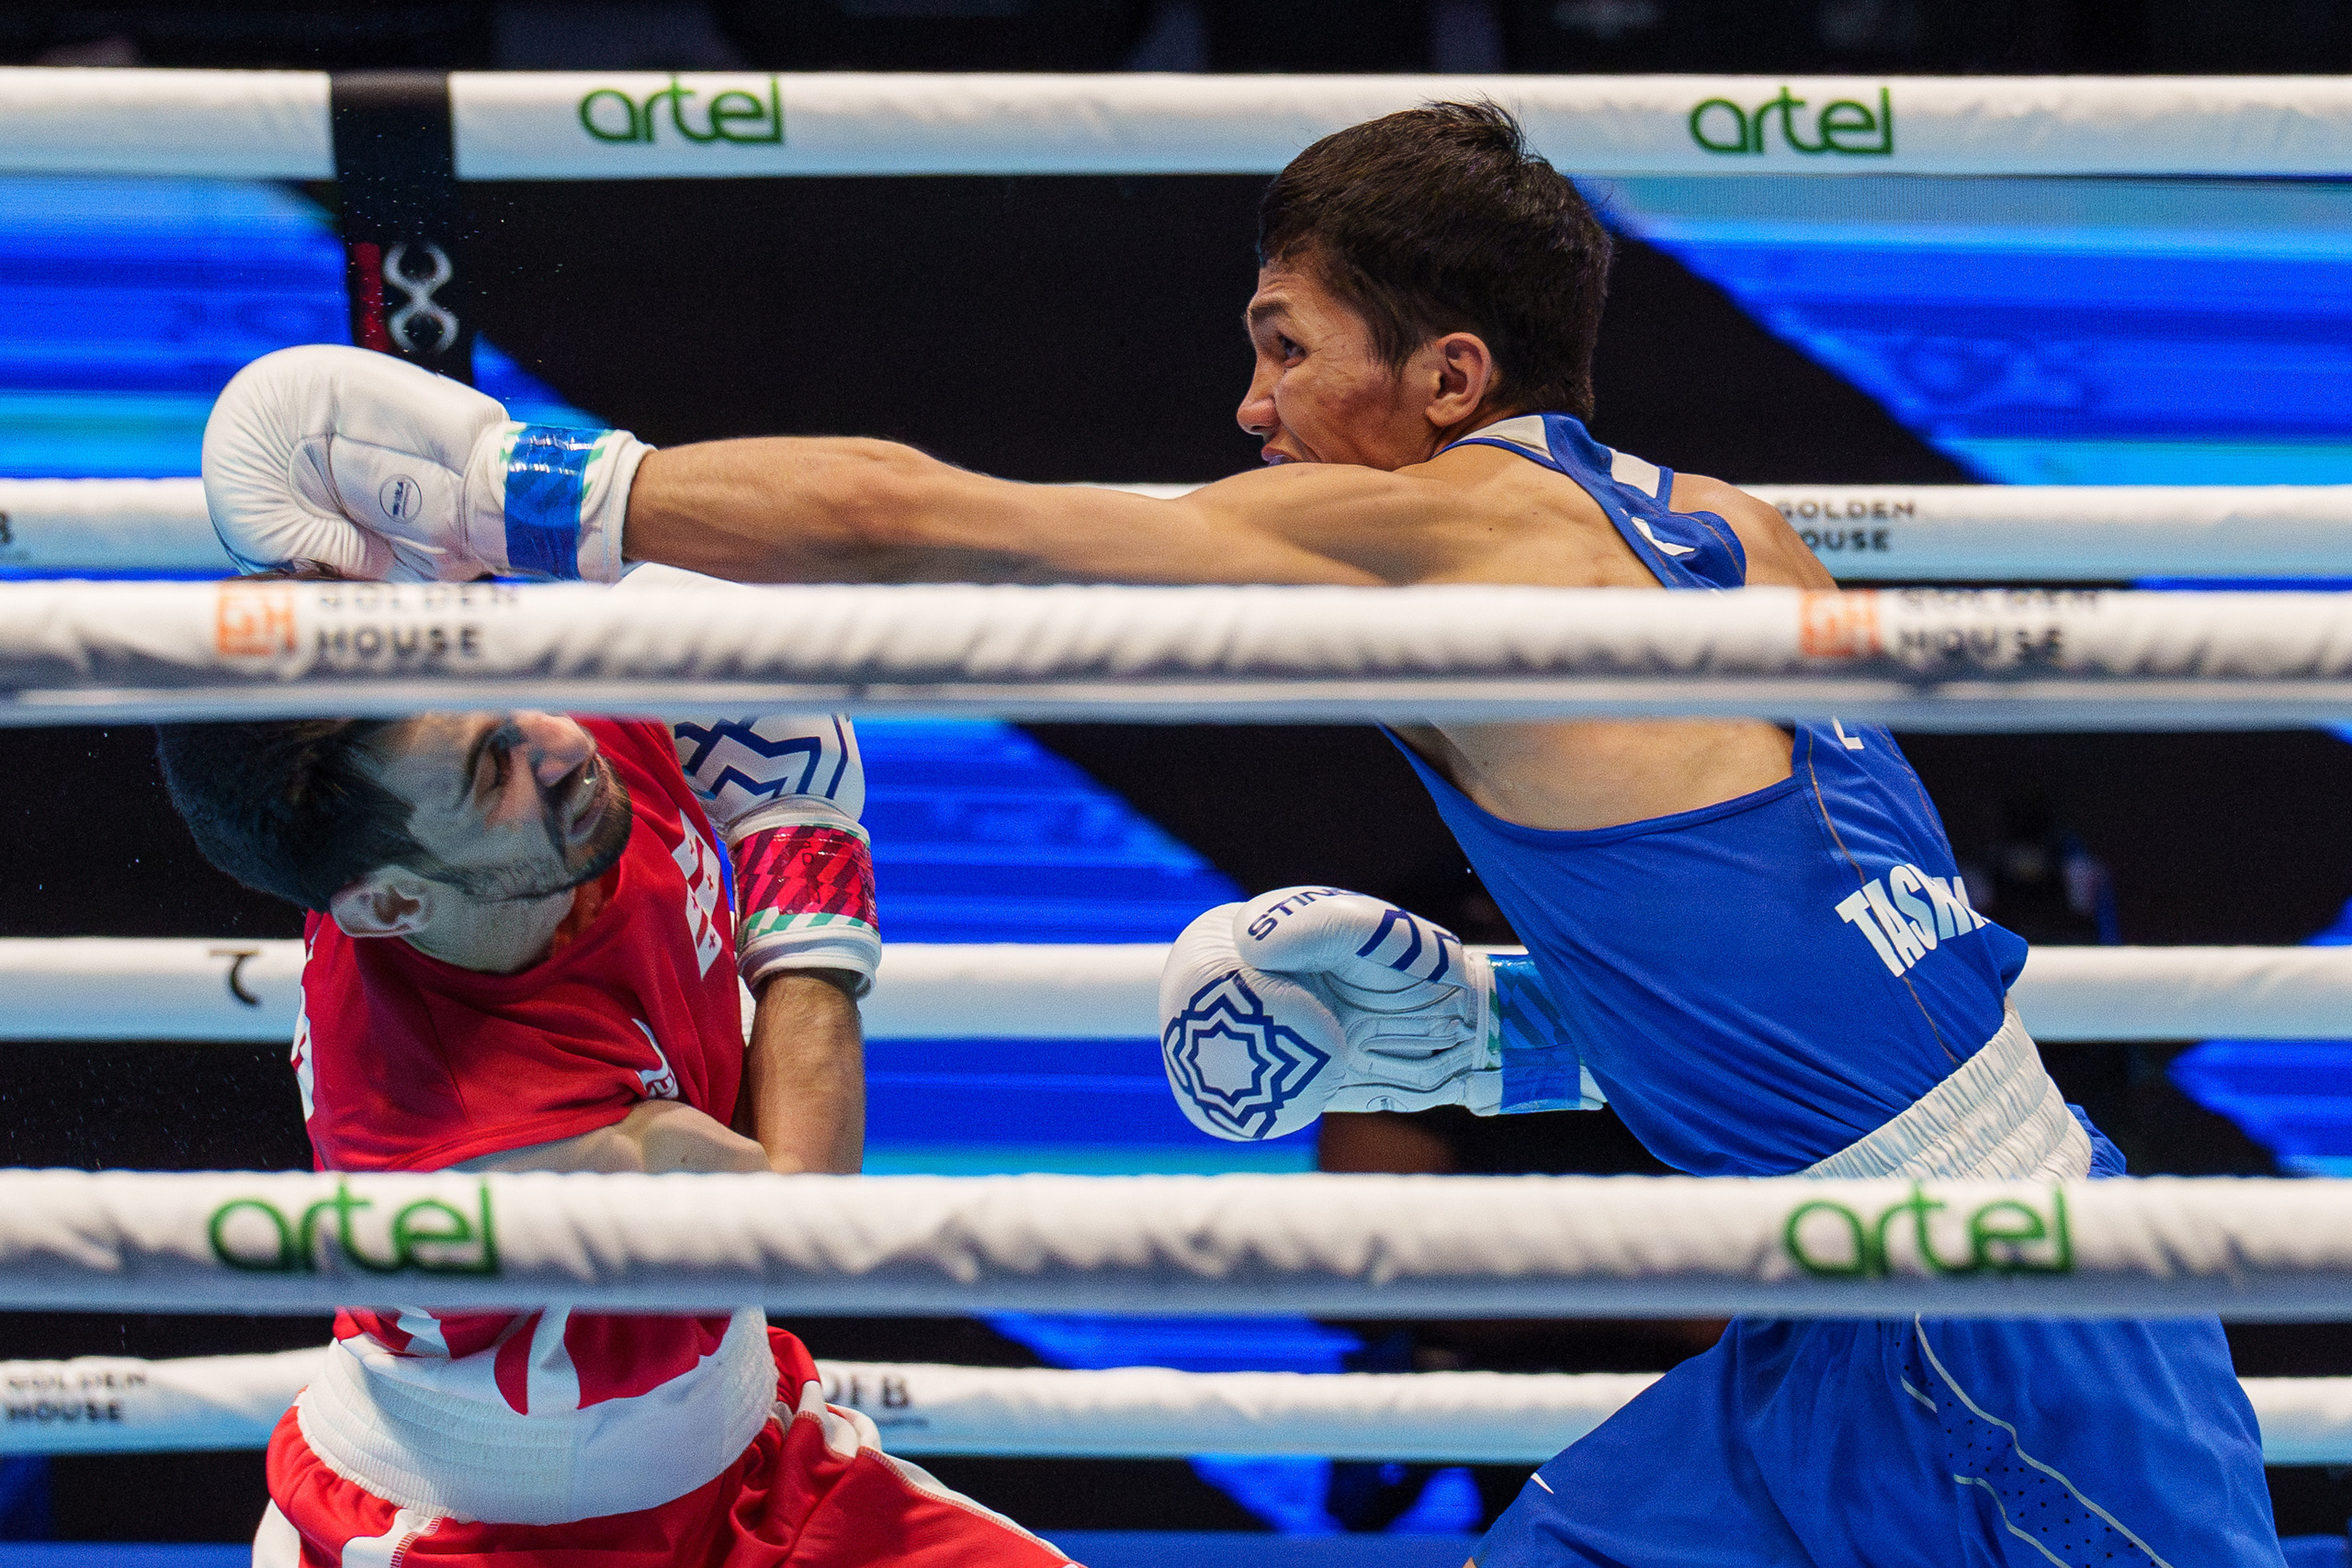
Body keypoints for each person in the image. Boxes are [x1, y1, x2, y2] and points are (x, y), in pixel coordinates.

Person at [198, 100, 2278, 1567]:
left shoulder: (1446, 536)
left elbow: (930, 518)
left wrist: (541, 488)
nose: (1248, 412)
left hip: (2017, 1325)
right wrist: (1465, 1037)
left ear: (1441, 374)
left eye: (1284, 349)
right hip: (1852, 1301)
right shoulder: (1728, 531)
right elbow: (1802, 963)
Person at [154, 705, 1068, 1567]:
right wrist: (800, 846)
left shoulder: (541, 762)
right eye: (492, 774)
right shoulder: (466, 1126)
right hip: (476, 1543)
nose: (556, 740)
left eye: (511, 698)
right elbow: (800, 1224)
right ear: (394, 907)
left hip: (749, 1467)